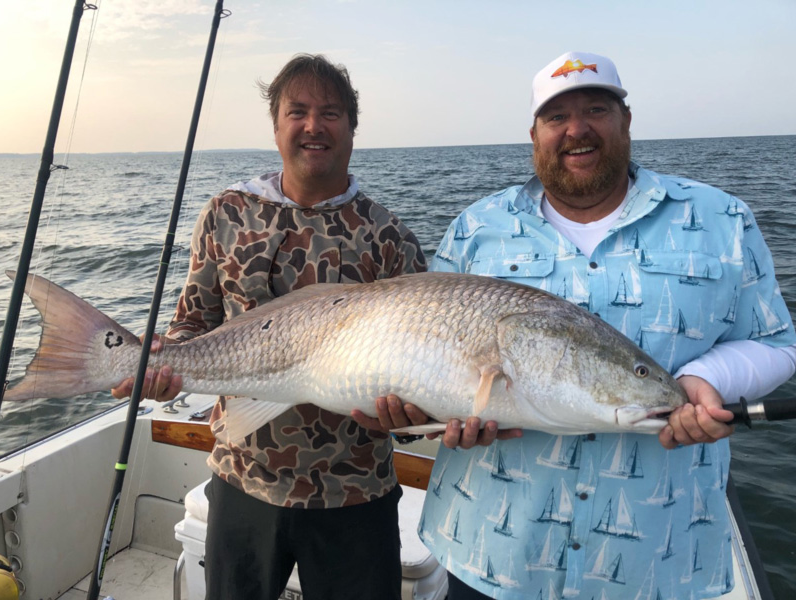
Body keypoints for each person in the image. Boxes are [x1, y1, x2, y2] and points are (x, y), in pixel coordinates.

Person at [366, 51, 796, 599]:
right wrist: (424, 413)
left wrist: (710, 379)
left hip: (657, 562)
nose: (577, 129)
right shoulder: (476, 227)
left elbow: (776, 343)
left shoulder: (721, 218)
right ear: (534, 133)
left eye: (596, 108)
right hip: (492, 554)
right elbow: (421, 355)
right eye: (556, 117)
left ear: (626, 120)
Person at [112, 54, 426, 600]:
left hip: (356, 491)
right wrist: (168, 367)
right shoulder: (226, 213)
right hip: (243, 481)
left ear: (352, 126)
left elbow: (422, 362)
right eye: (297, 111)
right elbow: (192, 321)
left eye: (330, 112)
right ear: (276, 125)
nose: (313, 125)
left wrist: (411, 416)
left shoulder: (390, 236)